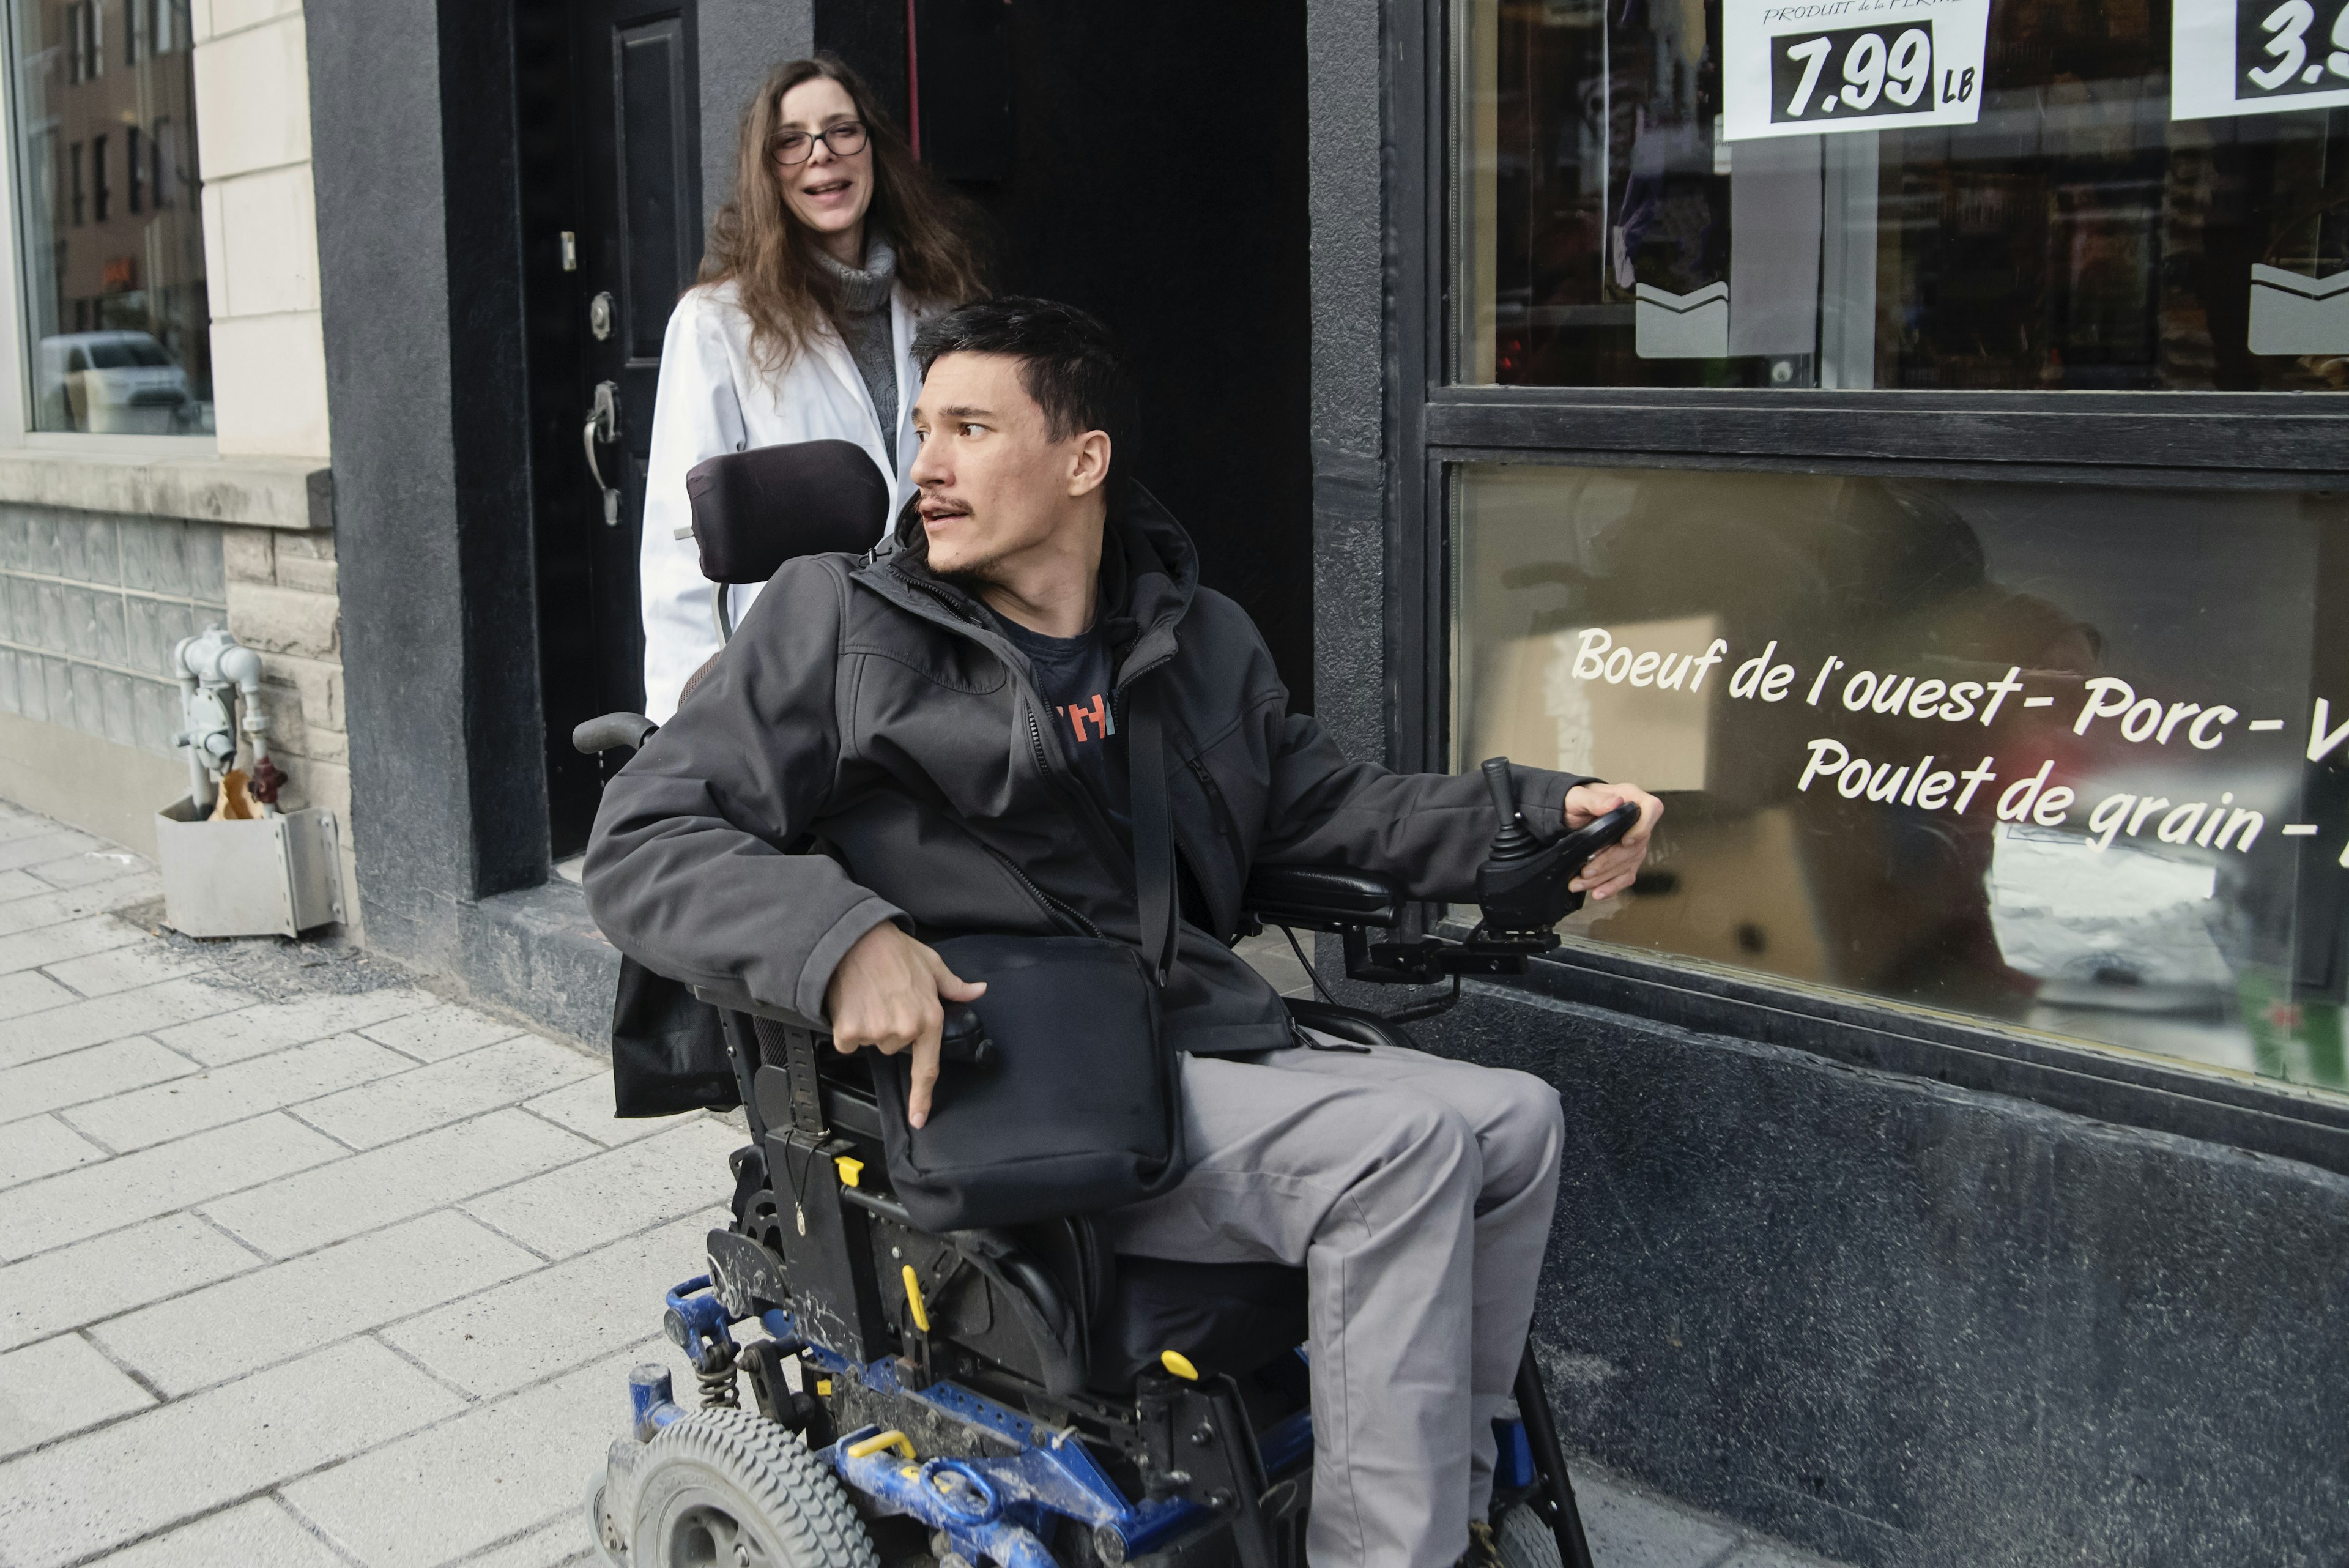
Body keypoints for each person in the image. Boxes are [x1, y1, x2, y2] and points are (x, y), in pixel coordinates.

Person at [583, 299, 1663, 1568]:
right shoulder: (837, 624)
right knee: (1407, 1148)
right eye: (921, 427)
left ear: (1081, 460)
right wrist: (840, 939)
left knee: (1517, 1120)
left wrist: (1535, 820)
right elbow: (643, 841)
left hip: (1180, 1028)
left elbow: (1325, 811)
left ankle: (1451, 1510)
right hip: (1007, 1074)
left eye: (971, 428)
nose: (925, 464)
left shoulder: (1189, 637)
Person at [637, 54, 983, 719]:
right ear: (769, 171)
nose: (821, 156)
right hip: (795, 677)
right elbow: (682, 541)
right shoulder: (718, 323)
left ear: (872, 148)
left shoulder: (940, 305)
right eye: (791, 141)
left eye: (841, 131)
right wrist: (683, 717)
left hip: (938, 658)